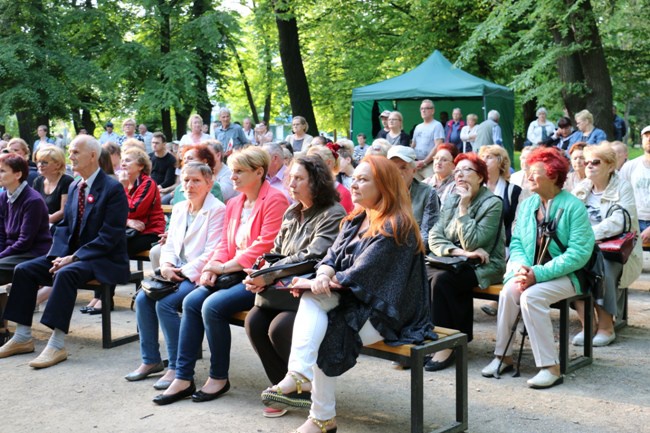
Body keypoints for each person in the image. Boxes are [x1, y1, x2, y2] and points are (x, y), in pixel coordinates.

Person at [260, 155, 435, 432]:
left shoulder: (397, 225)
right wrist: (322, 275)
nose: (354, 184)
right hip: (352, 299)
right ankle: (303, 382)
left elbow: (365, 273)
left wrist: (320, 282)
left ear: (385, 186)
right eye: (354, 178)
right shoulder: (356, 219)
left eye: (364, 179)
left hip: (387, 310)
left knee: (326, 328)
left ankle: (320, 414)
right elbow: (330, 256)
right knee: (313, 303)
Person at [153, 146, 289, 405]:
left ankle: (219, 377)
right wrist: (211, 266)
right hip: (231, 271)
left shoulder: (275, 199)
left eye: (239, 171)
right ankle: (183, 377)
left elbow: (265, 246)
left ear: (259, 172)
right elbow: (225, 244)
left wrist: (223, 268)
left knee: (212, 307)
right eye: (233, 171)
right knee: (192, 301)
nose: (232, 177)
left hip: (257, 276)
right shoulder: (235, 202)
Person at [0, 135, 129, 368]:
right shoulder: (74, 185)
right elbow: (65, 227)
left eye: (75, 152)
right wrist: (57, 255)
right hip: (71, 255)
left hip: (103, 258)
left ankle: (57, 344)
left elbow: (110, 236)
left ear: (93, 155)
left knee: (66, 273)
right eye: (70, 151)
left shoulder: (112, 188)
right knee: (25, 269)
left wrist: (74, 257)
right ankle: (22, 337)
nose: (71, 156)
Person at [243, 155, 346, 418]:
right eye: (290, 178)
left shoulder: (333, 213)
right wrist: (260, 272)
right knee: (254, 322)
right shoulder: (292, 211)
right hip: (282, 289)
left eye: (299, 179)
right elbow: (277, 251)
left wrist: (267, 276)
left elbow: (313, 256)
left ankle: (303, 387)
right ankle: (286, 390)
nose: (291, 184)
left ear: (317, 182)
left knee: (280, 328)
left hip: (313, 291)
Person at [482, 147, 594, 389]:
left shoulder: (573, 206)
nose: (529, 177)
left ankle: (550, 367)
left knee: (531, 297)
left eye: (535, 173)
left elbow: (578, 254)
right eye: (529, 173)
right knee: (509, 290)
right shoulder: (528, 203)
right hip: (531, 272)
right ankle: (503, 357)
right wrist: (521, 269)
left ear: (552, 176)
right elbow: (518, 242)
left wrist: (538, 274)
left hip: (569, 276)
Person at [126, 162, 226, 389]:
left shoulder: (218, 209)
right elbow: (169, 244)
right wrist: (166, 266)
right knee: (142, 299)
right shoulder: (181, 207)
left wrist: (182, 272)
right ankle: (150, 360)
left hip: (198, 274)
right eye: (186, 180)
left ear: (209, 183)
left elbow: (213, 251)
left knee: (166, 304)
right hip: (174, 270)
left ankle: (175, 366)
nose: (190, 185)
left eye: (196, 180)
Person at [426, 152, 505, 371]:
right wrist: (456, 251)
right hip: (457, 261)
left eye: (466, 170)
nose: (459, 175)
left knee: (442, 280)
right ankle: (432, 335)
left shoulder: (492, 203)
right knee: (424, 274)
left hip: (486, 266)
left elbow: (474, 243)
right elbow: (434, 236)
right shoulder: (451, 198)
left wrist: (464, 208)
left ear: (480, 176)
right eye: (457, 170)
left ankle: (448, 343)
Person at [571, 144, 642, 347]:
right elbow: (569, 217)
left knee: (602, 268)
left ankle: (606, 327)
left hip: (617, 251)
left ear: (610, 166)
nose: (589, 166)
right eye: (587, 162)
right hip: (585, 247)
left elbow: (619, 221)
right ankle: (588, 326)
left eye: (596, 162)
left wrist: (586, 236)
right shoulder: (581, 188)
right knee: (569, 267)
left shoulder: (622, 187)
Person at [0, 154, 52, 346]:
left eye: (3, 171)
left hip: (34, 253)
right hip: (13, 252)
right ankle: (2, 329)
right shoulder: (3, 196)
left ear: (18, 174)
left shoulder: (33, 200)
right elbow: (2, 235)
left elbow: (25, 242)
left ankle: (2, 330)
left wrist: (1, 256)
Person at [387, 145, 439, 248]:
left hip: (412, 251)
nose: (398, 172)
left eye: (403, 167)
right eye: (393, 168)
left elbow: (426, 234)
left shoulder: (428, 193)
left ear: (414, 171)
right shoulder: (380, 192)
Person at [479, 145, 522, 246]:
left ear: (500, 162)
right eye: (482, 157)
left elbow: (514, 224)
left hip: (504, 247)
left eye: (489, 157)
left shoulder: (513, 191)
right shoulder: (475, 188)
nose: (484, 160)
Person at [620, 126, 650, 245]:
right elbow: (620, 195)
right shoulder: (630, 166)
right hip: (634, 221)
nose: (649, 139)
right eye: (646, 136)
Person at [32, 146, 74, 230]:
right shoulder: (38, 181)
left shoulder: (67, 181)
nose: (40, 165)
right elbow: (32, 205)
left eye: (44, 162)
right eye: (38, 162)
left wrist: (43, 221)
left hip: (58, 229)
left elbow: (63, 212)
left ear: (57, 164)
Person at [307, 144, 354, 213]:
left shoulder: (343, 193)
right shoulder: (307, 189)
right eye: (308, 162)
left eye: (315, 161)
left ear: (329, 163)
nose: (309, 166)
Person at [412, 100, 445, 179]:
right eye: (421, 108)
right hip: (416, 164)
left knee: (430, 188)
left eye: (426, 108)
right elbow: (413, 145)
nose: (423, 110)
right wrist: (412, 162)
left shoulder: (437, 125)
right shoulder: (418, 127)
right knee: (416, 189)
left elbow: (438, 146)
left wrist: (425, 162)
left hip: (430, 165)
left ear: (432, 111)